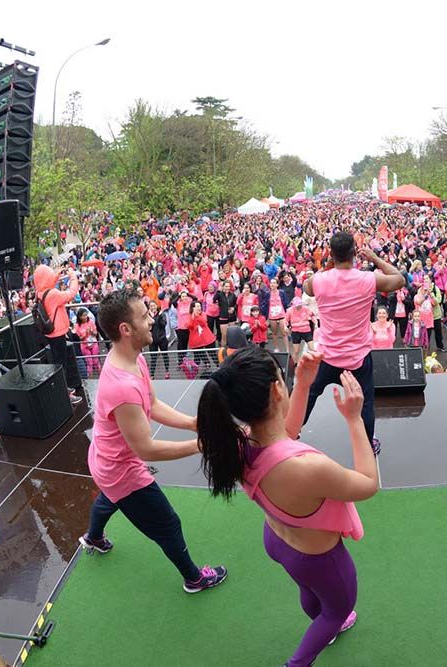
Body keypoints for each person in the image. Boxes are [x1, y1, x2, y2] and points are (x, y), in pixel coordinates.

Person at [196, 346, 377, 667]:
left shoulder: (241, 442)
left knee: (310, 590)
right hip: (319, 557)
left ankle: (327, 624)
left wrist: (303, 383)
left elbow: (285, 434)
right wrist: (354, 419)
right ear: (277, 389)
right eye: (284, 377)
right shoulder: (307, 468)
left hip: (279, 541)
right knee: (336, 610)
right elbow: (367, 483)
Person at [80, 288, 227, 593]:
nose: (151, 320)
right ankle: (194, 578)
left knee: (110, 498)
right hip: (120, 470)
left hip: (104, 460)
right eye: (144, 316)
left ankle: (93, 537)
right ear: (125, 329)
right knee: (168, 524)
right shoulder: (121, 385)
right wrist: (201, 445)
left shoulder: (133, 357)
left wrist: (193, 423)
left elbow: (154, 404)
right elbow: (146, 448)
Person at [302, 233, 405, 455]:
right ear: (354, 254)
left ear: (331, 254)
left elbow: (305, 287)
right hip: (357, 360)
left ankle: (293, 431)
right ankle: (368, 444)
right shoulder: (367, 279)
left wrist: (327, 266)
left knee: (310, 393)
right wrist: (375, 258)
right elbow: (399, 279)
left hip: (327, 356)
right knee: (366, 402)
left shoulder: (319, 281)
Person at [33, 264, 84, 404]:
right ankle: (65, 393)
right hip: (57, 333)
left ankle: (63, 389)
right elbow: (71, 294)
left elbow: (47, 284)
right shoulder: (53, 295)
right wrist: (73, 277)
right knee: (62, 365)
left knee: (58, 361)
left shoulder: (39, 292)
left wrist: (56, 275)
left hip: (50, 333)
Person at [148, 300, 170, 379]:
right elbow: (148, 326)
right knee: (153, 358)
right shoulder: (147, 316)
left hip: (162, 339)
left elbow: (163, 324)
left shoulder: (162, 314)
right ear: (149, 308)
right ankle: (152, 374)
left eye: (154, 305)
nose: (153, 307)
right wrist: (151, 317)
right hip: (152, 340)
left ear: (156, 306)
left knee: (165, 355)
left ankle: (167, 371)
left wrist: (158, 317)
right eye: (151, 306)